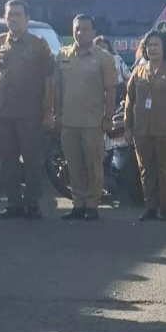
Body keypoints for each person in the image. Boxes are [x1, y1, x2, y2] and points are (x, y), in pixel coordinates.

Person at [0, 0, 55, 220]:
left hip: (30, 113)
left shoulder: (39, 45)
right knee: (7, 161)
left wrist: (47, 111)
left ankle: (32, 203)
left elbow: (48, 79)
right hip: (3, 113)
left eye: (17, 14)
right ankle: (14, 202)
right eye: (9, 14)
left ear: (27, 19)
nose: (13, 18)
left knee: (32, 160)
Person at [53, 15, 117, 222]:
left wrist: (108, 118)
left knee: (93, 165)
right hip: (69, 122)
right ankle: (78, 203)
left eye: (85, 29)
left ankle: (92, 204)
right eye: (77, 29)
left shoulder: (104, 58)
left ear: (94, 32)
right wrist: (57, 115)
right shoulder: (63, 55)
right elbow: (57, 89)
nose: (80, 33)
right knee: (73, 164)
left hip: (93, 122)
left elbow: (110, 91)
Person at [124, 30, 166, 221]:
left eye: (156, 45)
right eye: (149, 45)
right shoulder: (138, 71)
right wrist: (128, 127)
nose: (152, 49)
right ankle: (150, 208)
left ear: (164, 48)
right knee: (146, 170)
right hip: (142, 130)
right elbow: (130, 99)